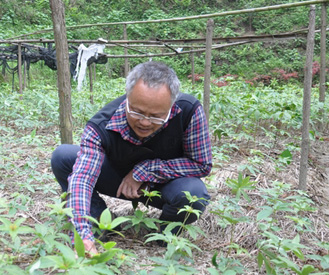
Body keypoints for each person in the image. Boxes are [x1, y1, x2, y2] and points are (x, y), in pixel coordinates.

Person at [51, 61, 212, 255]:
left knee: (194, 194)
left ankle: (166, 237)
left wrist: (143, 171)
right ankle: (97, 224)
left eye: (156, 116)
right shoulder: (101, 125)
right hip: (116, 179)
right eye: (137, 112)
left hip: (165, 186)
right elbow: (82, 180)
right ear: (127, 97)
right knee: (64, 157)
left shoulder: (188, 111)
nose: (144, 122)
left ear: (171, 105)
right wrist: (81, 234)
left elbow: (201, 164)